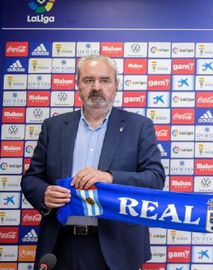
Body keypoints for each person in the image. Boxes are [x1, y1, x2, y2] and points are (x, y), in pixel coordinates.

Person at [21, 55, 165, 270]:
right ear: (78, 84)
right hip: (60, 245)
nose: (96, 87)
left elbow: (155, 179)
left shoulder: (139, 126)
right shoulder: (54, 127)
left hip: (117, 246)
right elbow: (32, 179)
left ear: (116, 85)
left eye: (105, 80)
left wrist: (109, 177)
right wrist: (43, 194)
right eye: (89, 80)